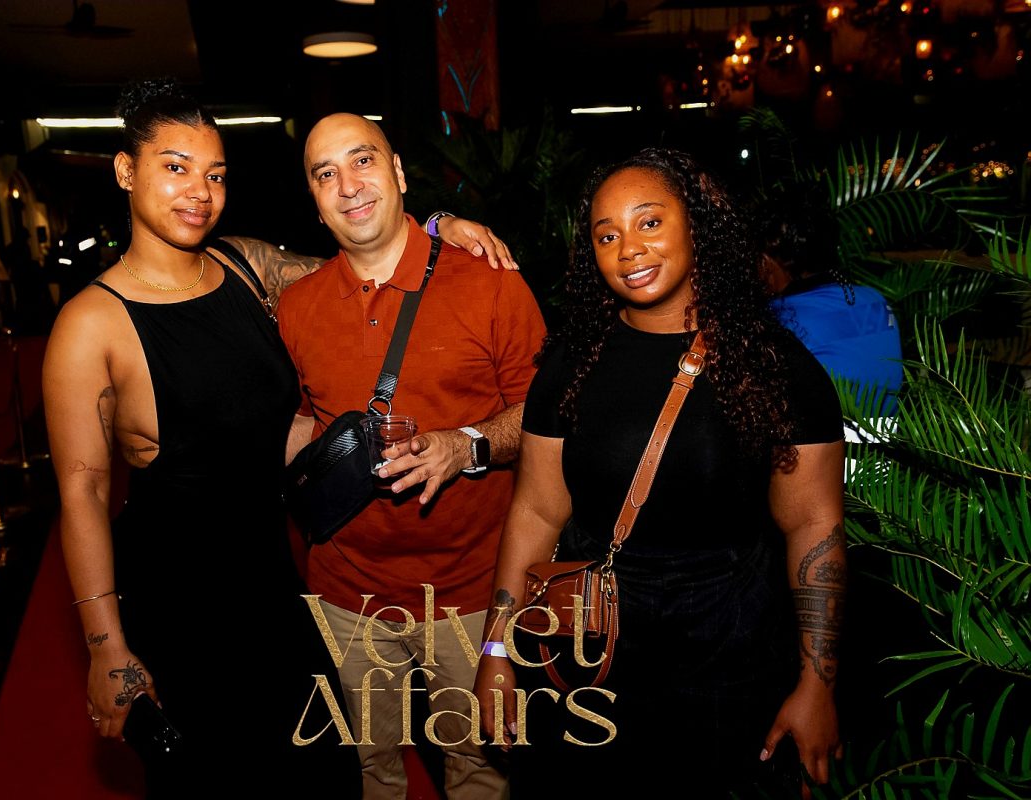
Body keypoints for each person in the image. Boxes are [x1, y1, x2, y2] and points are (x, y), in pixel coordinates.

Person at [42, 80, 517, 794]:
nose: (199, 191)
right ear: (125, 171)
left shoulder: (244, 266)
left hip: (277, 583)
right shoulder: (90, 323)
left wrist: (435, 227)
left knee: (324, 775)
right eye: (175, 167)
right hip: (184, 604)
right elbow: (82, 493)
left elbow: (365, 256)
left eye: (215, 174)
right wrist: (106, 646)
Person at [473, 149, 847, 797]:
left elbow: (814, 526)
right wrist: (497, 651)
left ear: (696, 226)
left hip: (729, 666)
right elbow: (535, 511)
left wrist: (818, 683)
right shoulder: (571, 364)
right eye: (607, 235)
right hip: (590, 656)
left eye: (649, 222)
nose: (629, 249)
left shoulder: (776, 368)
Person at [276, 113, 548, 799]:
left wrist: (468, 444)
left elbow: (549, 418)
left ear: (398, 172)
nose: (348, 185)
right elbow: (304, 415)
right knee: (371, 771)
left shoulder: (489, 281)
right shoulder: (297, 306)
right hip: (347, 593)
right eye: (326, 173)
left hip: (472, 592)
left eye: (362, 161)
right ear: (313, 199)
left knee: (479, 768)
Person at [760, 191, 903, 414]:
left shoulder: (779, 317)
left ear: (767, 261)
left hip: (825, 435)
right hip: (890, 434)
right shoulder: (876, 300)